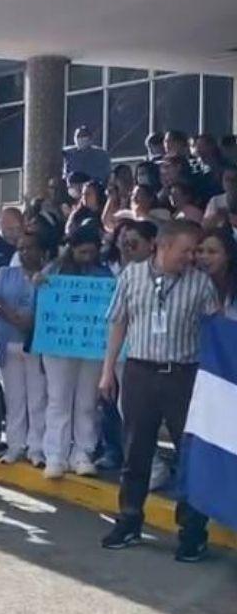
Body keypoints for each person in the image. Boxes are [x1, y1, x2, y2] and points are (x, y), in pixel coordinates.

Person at [99, 220, 216, 560]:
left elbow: (215, 330)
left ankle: (192, 531)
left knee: (189, 452)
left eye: (195, 251)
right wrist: (108, 370)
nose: (192, 257)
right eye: (186, 250)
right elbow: (118, 321)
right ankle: (130, 519)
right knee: (136, 449)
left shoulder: (200, 284)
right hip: (140, 370)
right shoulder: (131, 276)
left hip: (184, 375)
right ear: (163, 247)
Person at [38, 227, 113, 480]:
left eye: (92, 252)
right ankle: (55, 455)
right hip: (58, 345)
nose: (88, 257)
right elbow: (38, 303)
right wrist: (38, 285)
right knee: (58, 398)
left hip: (91, 346)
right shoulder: (53, 271)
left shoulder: (104, 274)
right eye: (83, 252)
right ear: (72, 249)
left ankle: (82, 453)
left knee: (87, 402)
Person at [0, 232, 49, 466]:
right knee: (14, 400)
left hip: (35, 346)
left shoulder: (48, 277)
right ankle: (15, 445)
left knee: (37, 398)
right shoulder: (6, 273)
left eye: (30, 248)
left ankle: (37, 448)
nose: (25, 253)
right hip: (8, 344)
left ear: (41, 251)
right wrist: (12, 317)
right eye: (21, 248)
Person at [196, 227, 237, 317]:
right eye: (200, 251)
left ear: (228, 255)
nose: (204, 256)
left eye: (212, 252)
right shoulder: (193, 286)